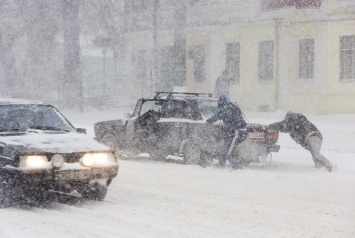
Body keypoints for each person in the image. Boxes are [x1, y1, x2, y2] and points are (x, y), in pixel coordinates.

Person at [267, 111, 333, 172]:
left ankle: (330, 167)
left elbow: (281, 125)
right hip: (317, 137)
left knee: (316, 155)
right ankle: (321, 170)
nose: (286, 122)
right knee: (315, 156)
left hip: (312, 136)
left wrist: (268, 127)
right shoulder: (299, 121)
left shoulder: (293, 121)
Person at [205, 94, 247, 169]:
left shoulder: (225, 108)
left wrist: (208, 122)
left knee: (228, 153)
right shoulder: (234, 107)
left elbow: (216, 116)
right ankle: (221, 165)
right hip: (238, 132)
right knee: (226, 149)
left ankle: (237, 167)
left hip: (236, 133)